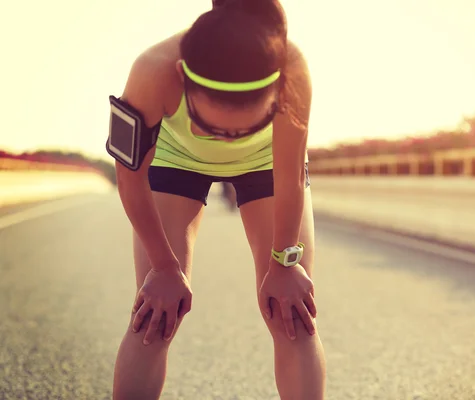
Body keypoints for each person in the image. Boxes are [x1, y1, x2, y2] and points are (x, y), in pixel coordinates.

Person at [108, 0, 326, 399]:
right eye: (210, 126)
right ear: (181, 78)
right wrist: (163, 267)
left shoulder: (292, 68)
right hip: (178, 155)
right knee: (155, 316)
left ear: (275, 90)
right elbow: (130, 176)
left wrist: (285, 261)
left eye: (245, 126)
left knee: (290, 313)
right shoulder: (151, 70)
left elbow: (291, 174)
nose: (228, 140)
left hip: (267, 161)